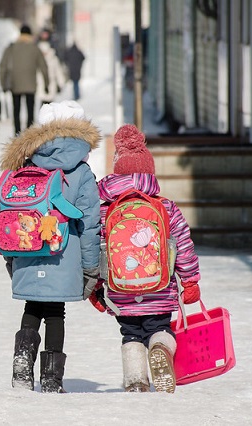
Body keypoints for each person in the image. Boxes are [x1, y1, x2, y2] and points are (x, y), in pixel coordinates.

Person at [0, 101, 101, 393]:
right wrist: (90, 267)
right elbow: (89, 225)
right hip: (64, 255)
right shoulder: (82, 172)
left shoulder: (27, 163)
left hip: (26, 251)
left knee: (32, 306)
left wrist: (12, 259)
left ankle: (22, 366)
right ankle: (51, 379)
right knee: (55, 312)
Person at [89, 124, 201, 393]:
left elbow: (96, 249)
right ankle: (161, 346)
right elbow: (183, 244)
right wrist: (190, 280)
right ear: (149, 172)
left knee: (131, 333)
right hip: (160, 287)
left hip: (121, 290)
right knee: (159, 327)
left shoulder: (105, 210)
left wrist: (95, 285)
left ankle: (136, 380)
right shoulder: (165, 206)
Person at [0, 24, 49, 135]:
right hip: (30, 85)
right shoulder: (35, 48)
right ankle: (29, 135)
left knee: (16, 110)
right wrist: (46, 83)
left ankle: (17, 135)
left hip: (15, 84)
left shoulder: (11, 47)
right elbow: (43, 67)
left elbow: (3, 65)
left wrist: (3, 83)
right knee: (30, 110)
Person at [36, 39, 67, 105]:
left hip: (51, 84)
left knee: (50, 105)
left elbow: (58, 72)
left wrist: (61, 84)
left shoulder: (54, 59)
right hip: (41, 84)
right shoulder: (37, 59)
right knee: (43, 105)